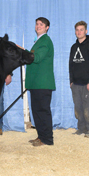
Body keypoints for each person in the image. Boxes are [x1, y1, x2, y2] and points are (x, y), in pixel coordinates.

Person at [24, 17, 56, 146]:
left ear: (47, 27)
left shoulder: (45, 41)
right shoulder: (38, 41)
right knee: (37, 111)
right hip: (36, 83)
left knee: (42, 111)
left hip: (42, 83)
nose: (38, 26)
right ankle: (41, 136)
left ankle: (47, 139)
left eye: (41, 24)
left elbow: (36, 58)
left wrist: (22, 52)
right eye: (37, 24)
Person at [69, 21, 89, 138]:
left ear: (86, 31)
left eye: (81, 30)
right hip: (76, 84)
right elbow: (71, 65)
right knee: (78, 108)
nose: (79, 32)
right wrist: (71, 81)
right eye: (77, 30)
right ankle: (82, 128)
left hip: (88, 84)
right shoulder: (74, 47)